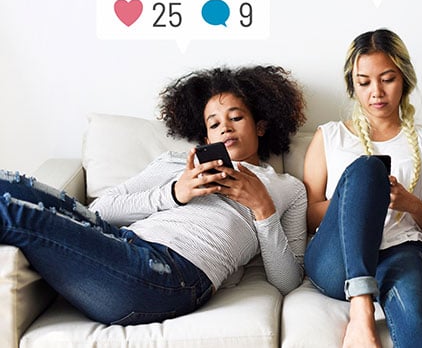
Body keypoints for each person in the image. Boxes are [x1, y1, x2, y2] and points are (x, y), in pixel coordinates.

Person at [0, 65, 308, 325]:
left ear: (261, 126)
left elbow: (288, 282)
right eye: (215, 124)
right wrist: (175, 193)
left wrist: (262, 208)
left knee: (18, 215)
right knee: (16, 185)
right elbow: (101, 210)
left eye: (236, 117)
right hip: (118, 244)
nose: (225, 128)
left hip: (169, 277)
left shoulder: (287, 189)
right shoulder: (175, 164)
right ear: (206, 137)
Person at [303, 28, 422, 348]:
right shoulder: (328, 137)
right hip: (337, 258)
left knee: (415, 315)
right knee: (368, 169)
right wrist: (360, 197)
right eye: (364, 82)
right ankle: (361, 308)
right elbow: (311, 218)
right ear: (352, 86)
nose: (376, 92)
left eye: (388, 78)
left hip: (402, 249)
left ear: (405, 80)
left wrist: (409, 203)